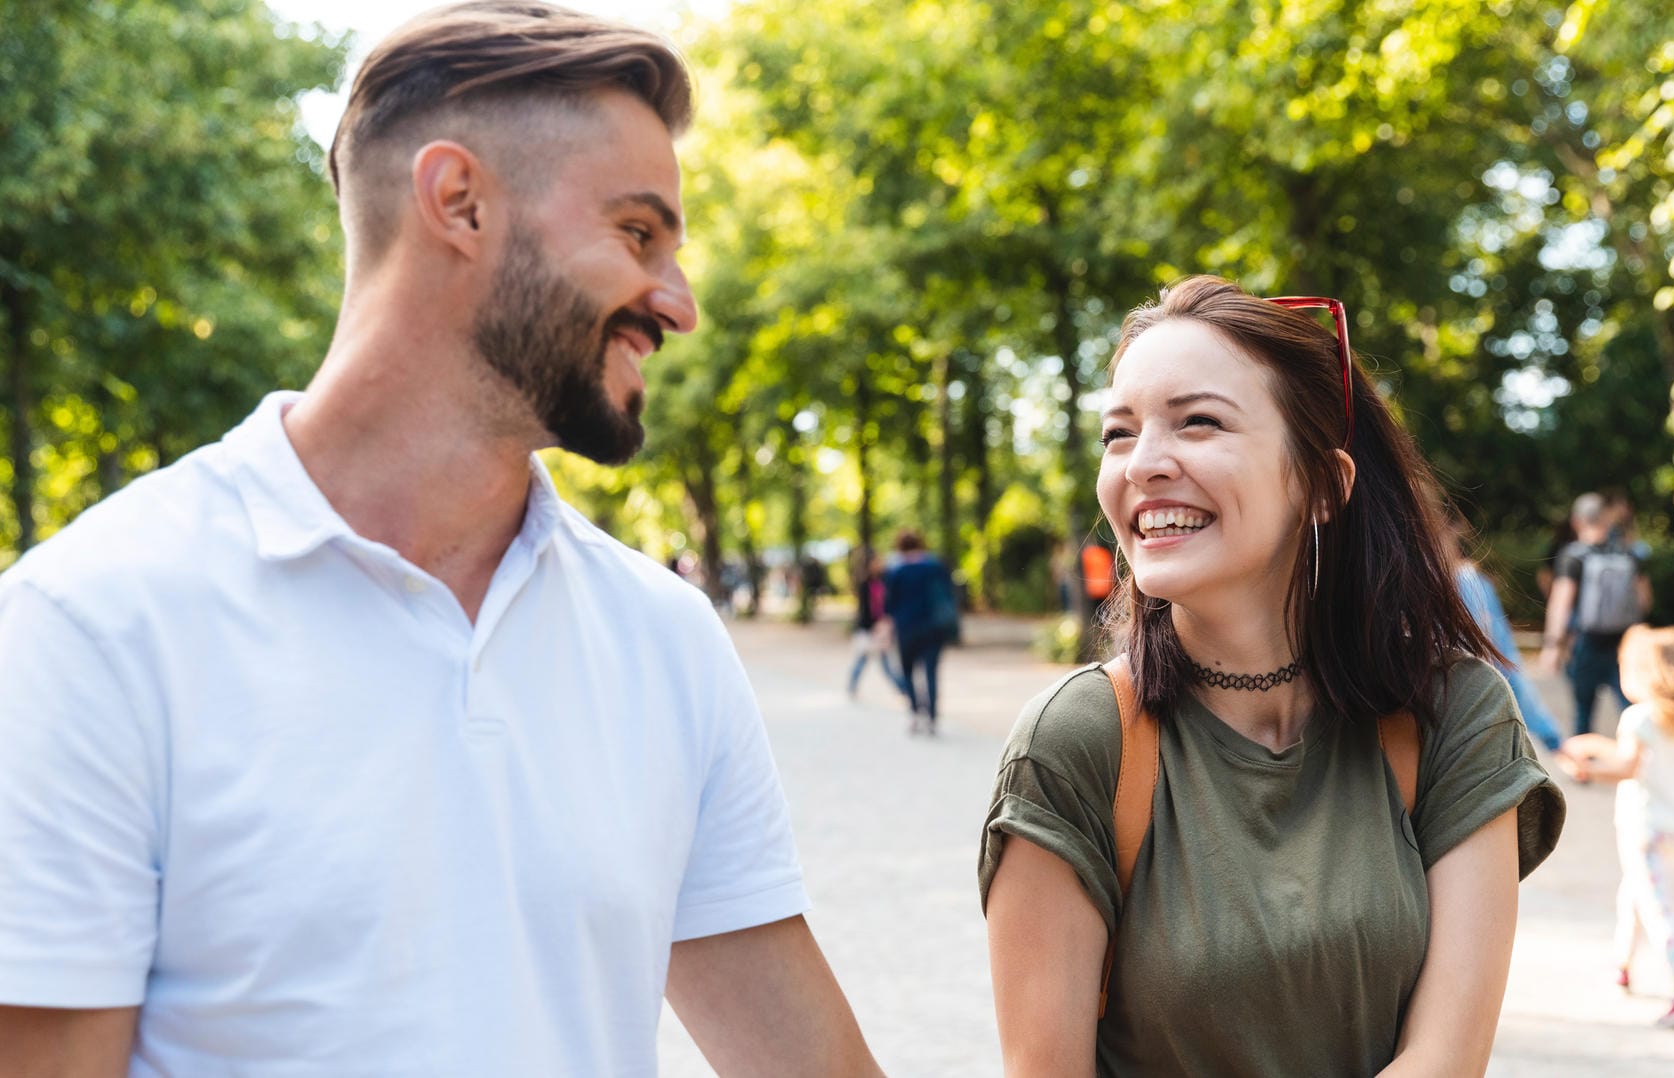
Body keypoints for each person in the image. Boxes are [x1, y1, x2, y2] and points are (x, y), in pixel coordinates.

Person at [0, 5, 881, 1074]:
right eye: (638, 234)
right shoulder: (89, 627)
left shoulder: (666, 639)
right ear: (459, 202)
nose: (678, 303)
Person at [978, 276, 1564, 1075]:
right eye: (1119, 434)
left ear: (1322, 486)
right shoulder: (1076, 743)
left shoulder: (1452, 713)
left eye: (1199, 422)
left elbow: (1446, 1058)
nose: (1144, 464)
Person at [1556, 625, 1674, 1030]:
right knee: (1634, 896)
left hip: (1645, 828)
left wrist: (1584, 769)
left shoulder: (1638, 718)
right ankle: (1623, 967)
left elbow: (1628, 767)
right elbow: (1639, 758)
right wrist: (1596, 746)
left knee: (1653, 905)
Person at [1445, 504, 1567, 752]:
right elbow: (1505, 663)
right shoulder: (1470, 584)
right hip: (1469, 728)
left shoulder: (1386, 586)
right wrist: (1552, 738)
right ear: (1454, 530)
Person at [1538, 491, 1651, 736]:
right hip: (1624, 644)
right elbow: (1644, 600)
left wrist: (1553, 645)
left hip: (1585, 643)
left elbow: (1561, 603)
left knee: (1583, 712)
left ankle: (1583, 769)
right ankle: (1641, 761)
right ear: (1606, 519)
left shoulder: (1573, 556)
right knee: (1630, 708)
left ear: (1577, 521)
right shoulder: (1628, 553)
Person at [883, 529, 957, 735]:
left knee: (908, 672)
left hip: (907, 629)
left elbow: (889, 604)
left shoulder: (896, 571)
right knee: (931, 673)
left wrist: (888, 629)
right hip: (933, 627)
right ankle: (932, 717)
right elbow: (949, 594)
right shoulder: (934, 566)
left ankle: (915, 713)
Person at [848, 549, 905, 698]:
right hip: (869, 629)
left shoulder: (884, 580)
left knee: (886, 665)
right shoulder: (864, 585)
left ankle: (904, 688)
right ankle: (852, 686)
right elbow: (865, 610)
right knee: (863, 660)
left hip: (882, 628)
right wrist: (873, 625)